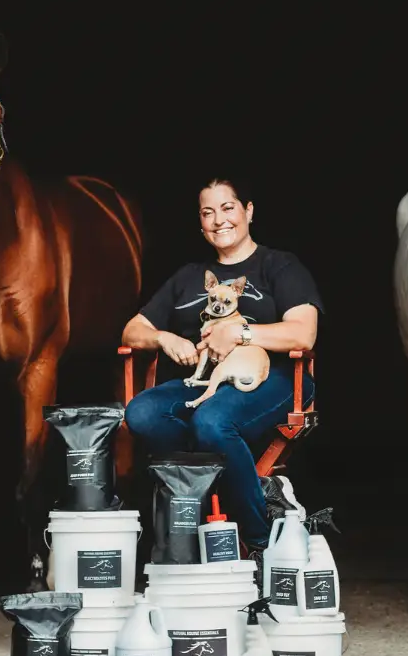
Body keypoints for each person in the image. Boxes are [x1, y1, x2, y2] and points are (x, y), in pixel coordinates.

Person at [122, 176, 324, 569]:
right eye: (207, 213)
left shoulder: (279, 266)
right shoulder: (188, 276)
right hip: (204, 377)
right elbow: (133, 329)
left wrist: (240, 332)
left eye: (227, 208)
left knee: (213, 421)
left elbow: (304, 332)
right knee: (142, 413)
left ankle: (259, 541)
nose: (219, 220)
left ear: (248, 211)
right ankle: (230, 483)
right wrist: (164, 338)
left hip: (273, 378)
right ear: (200, 224)